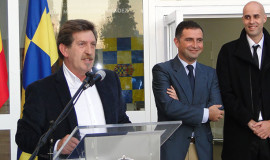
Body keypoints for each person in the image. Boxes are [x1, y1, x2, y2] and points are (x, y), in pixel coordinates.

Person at [16, 19, 131, 160]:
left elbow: (121, 122)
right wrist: (58, 145)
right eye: (82, 44)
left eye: (93, 45)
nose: (89, 51)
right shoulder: (42, 90)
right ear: (64, 49)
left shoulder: (108, 80)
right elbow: (24, 136)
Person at [216, 1, 270, 160]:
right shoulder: (228, 52)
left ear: (264, 18)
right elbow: (226, 92)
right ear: (242, 19)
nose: (251, 21)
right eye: (247, 17)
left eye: (256, 16)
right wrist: (249, 121)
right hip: (240, 134)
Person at [152, 20, 224, 160]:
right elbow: (169, 108)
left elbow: (217, 111)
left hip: (202, 148)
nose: (195, 45)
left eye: (199, 40)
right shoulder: (162, 70)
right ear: (177, 42)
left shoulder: (210, 73)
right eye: (189, 40)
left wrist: (180, 103)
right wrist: (206, 113)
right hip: (173, 148)